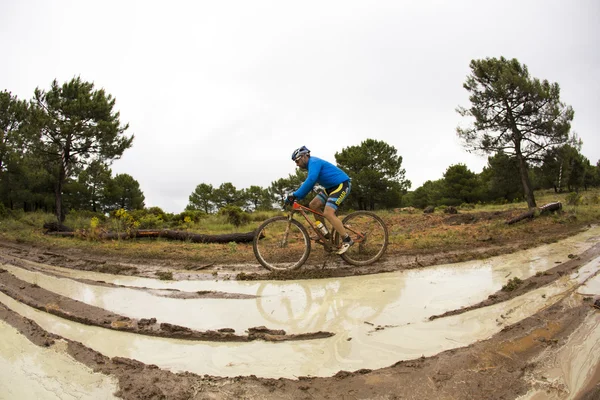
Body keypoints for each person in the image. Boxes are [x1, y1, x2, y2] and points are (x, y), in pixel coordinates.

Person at [285, 146, 354, 255]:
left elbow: (311, 180)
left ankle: (347, 240)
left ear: (304, 156)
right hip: (331, 188)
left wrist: (296, 195)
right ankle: (326, 234)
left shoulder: (314, 162)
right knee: (313, 205)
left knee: (328, 212)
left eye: (297, 161)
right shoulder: (311, 165)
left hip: (342, 184)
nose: (297, 164)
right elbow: (310, 183)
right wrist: (297, 196)